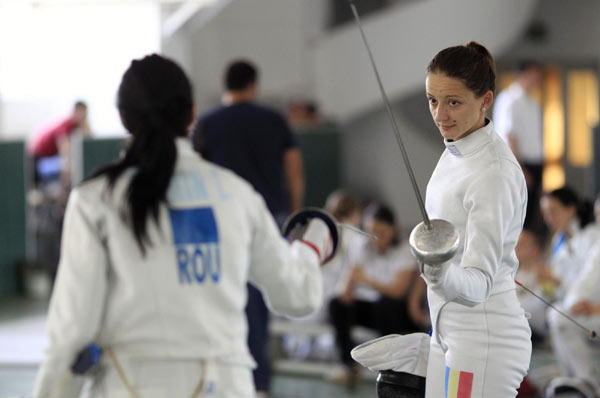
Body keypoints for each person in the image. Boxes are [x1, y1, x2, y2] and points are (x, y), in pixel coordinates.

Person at [32, 54, 332, 398]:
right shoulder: (237, 194)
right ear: (191, 113)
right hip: (226, 387)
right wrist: (311, 245)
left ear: (123, 118)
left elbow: (72, 331)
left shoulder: (96, 200)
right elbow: (297, 295)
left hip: (130, 387)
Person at [421, 41, 531, 397]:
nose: (440, 115)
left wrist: (439, 271)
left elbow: (480, 282)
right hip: (447, 332)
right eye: (433, 101)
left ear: (485, 100)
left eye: (453, 102)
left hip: (483, 340)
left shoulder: (493, 172)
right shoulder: (456, 150)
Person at [191, 59, 304, 396]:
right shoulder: (273, 120)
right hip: (269, 219)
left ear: (225, 85)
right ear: (253, 84)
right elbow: (294, 169)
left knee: (219, 294)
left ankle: (222, 378)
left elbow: (196, 173)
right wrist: (294, 214)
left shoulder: (207, 123)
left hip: (219, 222)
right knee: (259, 297)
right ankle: (258, 381)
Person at [328, 204, 420, 388]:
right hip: (373, 307)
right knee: (336, 304)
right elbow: (345, 290)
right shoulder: (361, 246)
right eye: (371, 232)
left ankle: (388, 367)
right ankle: (347, 364)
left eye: (381, 233)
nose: (375, 239)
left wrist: (365, 279)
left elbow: (397, 290)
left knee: (384, 305)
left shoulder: (404, 248)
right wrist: (348, 284)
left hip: (398, 311)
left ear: (393, 230)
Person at [493, 60, 544, 231]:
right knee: (517, 213)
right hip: (520, 163)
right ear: (521, 75)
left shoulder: (532, 102)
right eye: (532, 73)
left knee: (529, 214)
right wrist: (520, 167)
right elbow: (509, 136)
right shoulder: (510, 99)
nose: (536, 78)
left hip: (535, 162)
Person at [539, 187, 595, 302]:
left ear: (571, 209)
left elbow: (590, 280)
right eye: (545, 213)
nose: (548, 218)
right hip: (564, 299)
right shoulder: (558, 239)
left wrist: (557, 281)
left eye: (553, 211)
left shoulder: (591, 236)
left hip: (587, 302)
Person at [28, 100, 91, 190]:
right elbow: (64, 148)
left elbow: (88, 138)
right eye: (83, 113)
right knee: (68, 168)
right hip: (36, 157)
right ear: (76, 111)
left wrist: (85, 126)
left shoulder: (74, 126)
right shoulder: (66, 124)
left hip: (45, 157)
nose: (84, 116)